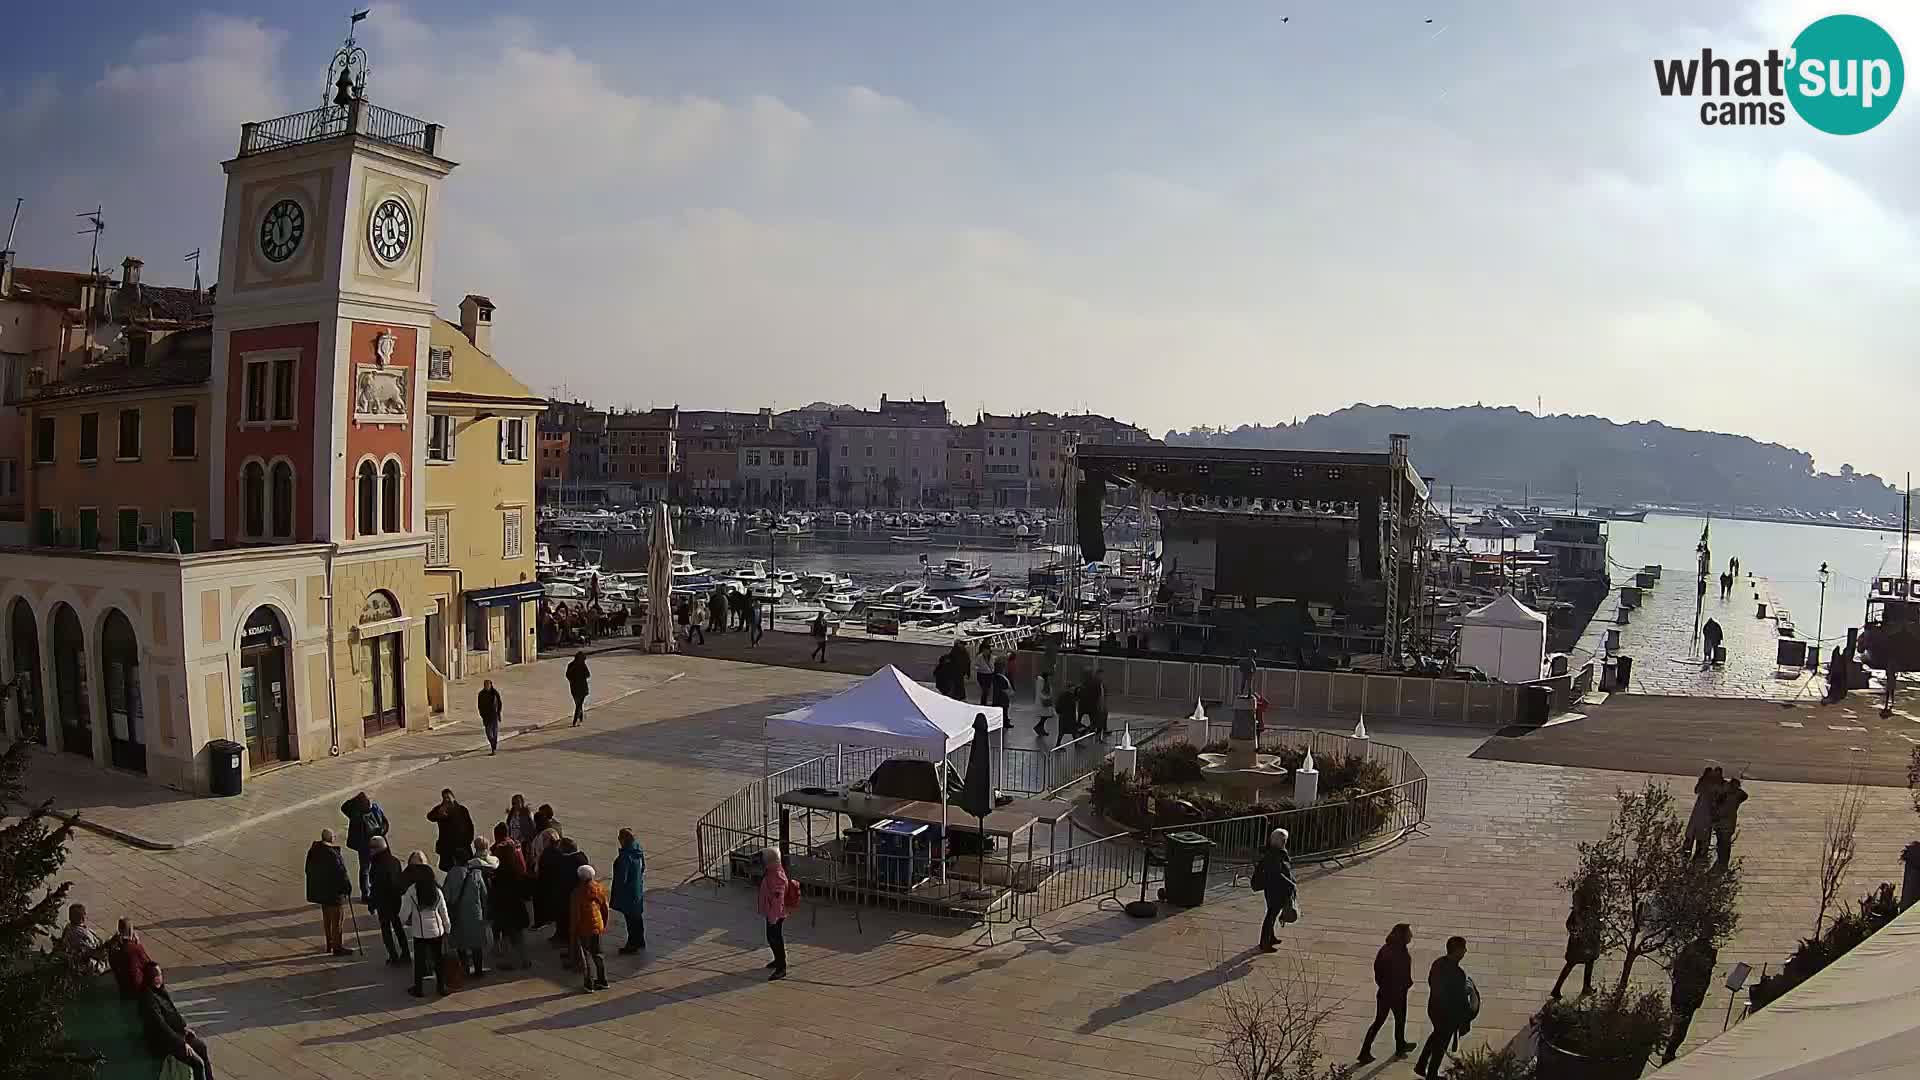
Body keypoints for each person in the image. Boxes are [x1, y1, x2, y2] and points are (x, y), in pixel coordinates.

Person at [137, 961, 211, 1080]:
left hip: (176, 1034)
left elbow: (173, 1012)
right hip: (165, 1040)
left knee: (201, 1047)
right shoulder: (148, 998)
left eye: (160, 974)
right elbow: (160, 1026)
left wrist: (184, 1028)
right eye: (156, 975)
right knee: (198, 1064)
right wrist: (182, 1044)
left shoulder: (161, 991)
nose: (160, 978)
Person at [1358, 923, 1418, 1064]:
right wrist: (1403, 985)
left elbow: (1378, 972)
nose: (1411, 936)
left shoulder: (1389, 949)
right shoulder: (1396, 952)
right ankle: (1366, 1051)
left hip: (1387, 991)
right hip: (1394, 992)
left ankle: (1400, 1045)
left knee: (1395, 1020)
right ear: (1402, 936)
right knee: (1385, 1021)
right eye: (1409, 933)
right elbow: (1394, 973)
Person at [1415, 936, 1474, 1080]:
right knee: (1441, 1044)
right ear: (1457, 950)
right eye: (1463, 948)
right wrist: (1466, 994)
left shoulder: (1438, 963)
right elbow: (1459, 1000)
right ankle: (1431, 1075)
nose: (1465, 951)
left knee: (1436, 1035)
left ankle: (1421, 1065)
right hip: (1447, 1015)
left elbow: (1432, 983)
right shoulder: (1458, 973)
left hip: (1434, 1009)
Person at [398, 853, 452, 997]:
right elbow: (444, 912)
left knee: (420, 961)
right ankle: (441, 987)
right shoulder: (437, 891)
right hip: (437, 931)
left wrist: (402, 922)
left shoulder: (412, 891)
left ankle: (419, 988)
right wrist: (447, 928)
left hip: (420, 932)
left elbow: (404, 912)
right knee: (438, 960)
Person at [445, 837, 497, 978]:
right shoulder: (476, 874)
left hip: (458, 915)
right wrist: (485, 912)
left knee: (461, 944)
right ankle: (479, 971)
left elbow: (447, 897)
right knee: (476, 944)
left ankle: (465, 969)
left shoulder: (451, 875)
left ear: (455, 860)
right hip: (475, 914)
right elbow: (484, 895)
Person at [1664, 935, 1719, 1064]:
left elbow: (1676, 971)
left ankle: (1669, 1052)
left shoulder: (1688, 950)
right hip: (1687, 998)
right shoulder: (1704, 955)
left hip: (1682, 996)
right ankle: (1668, 1054)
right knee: (1680, 1029)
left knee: (1678, 1027)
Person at [489, 823, 533, 970]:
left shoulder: (499, 873)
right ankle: (525, 959)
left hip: (504, 907)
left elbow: (495, 890)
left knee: (507, 935)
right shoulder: (516, 872)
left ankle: (507, 962)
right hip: (517, 906)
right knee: (519, 934)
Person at [304, 828, 354, 957]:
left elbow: (308, 869)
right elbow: (341, 873)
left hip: (322, 893)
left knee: (327, 920)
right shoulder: (333, 854)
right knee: (337, 922)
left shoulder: (314, 851)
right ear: (331, 838)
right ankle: (337, 947)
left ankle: (329, 944)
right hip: (334, 894)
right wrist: (347, 888)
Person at [1551, 878, 1602, 998]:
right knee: (1574, 962)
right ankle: (1558, 988)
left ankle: (1585, 987)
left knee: (1587, 961)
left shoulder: (1586, 896)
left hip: (1587, 935)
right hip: (1583, 936)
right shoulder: (1584, 901)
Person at [365, 836, 410, 965]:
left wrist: (372, 904)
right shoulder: (395, 861)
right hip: (395, 900)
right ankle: (405, 953)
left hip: (383, 903)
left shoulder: (377, 865)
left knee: (386, 930)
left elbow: (376, 887)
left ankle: (393, 956)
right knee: (398, 928)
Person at [1253, 827, 1298, 953]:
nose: (1285, 842)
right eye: (1284, 840)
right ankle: (1265, 943)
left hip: (1272, 887)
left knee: (1272, 913)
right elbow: (1277, 874)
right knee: (1271, 915)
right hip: (1275, 888)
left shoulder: (1273, 852)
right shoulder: (1274, 855)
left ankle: (1270, 938)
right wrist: (1290, 884)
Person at [339, 790, 389, 902]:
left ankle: (375, 890)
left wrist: (382, 830)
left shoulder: (375, 809)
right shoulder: (356, 815)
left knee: (373, 869)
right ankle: (366, 894)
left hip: (378, 843)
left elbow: (385, 822)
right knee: (365, 870)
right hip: (365, 846)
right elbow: (344, 807)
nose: (370, 804)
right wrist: (355, 799)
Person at [570, 864, 612, 992]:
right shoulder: (598, 888)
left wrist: (573, 931)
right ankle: (602, 980)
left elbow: (575, 915)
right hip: (597, 926)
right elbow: (605, 907)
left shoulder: (577, 893)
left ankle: (588, 983)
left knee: (586, 956)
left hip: (584, 928)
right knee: (598, 954)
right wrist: (603, 923)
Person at [758, 845, 793, 981]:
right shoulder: (771, 871)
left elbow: (778, 900)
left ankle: (781, 967)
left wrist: (773, 917)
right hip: (772, 912)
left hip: (776, 914)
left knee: (775, 938)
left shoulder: (777, 876)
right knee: (772, 937)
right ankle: (777, 960)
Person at [612, 828, 647, 954]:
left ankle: (632, 944)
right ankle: (640, 940)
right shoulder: (637, 849)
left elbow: (622, 878)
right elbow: (643, 867)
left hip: (628, 893)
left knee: (630, 919)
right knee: (637, 917)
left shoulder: (625, 857)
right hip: (637, 888)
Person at [427, 789, 477, 873]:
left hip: (462, 847)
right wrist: (439, 812)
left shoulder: (462, 810)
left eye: (448, 797)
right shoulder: (441, 810)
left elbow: (470, 826)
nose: (447, 800)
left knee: (465, 869)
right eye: (444, 798)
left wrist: (468, 841)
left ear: (453, 797)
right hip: (447, 849)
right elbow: (430, 817)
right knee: (449, 870)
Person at [1684, 767, 1723, 861]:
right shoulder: (1713, 784)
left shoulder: (1708, 784)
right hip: (1704, 813)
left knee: (1696, 833)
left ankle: (1695, 853)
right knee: (1699, 834)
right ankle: (1697, 853)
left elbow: (1697, 790)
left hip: (1703, 812)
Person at [108, 919, 155, 997]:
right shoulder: (134, 948)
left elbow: (112, 964)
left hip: (123, 986)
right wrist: (138, 944)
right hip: (136, 987)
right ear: (131, 931)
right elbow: (148, 964)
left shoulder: (114, 948)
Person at [61, 903, 108, 976]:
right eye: (84, 913)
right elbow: (93, 952)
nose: (85, 915)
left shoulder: (69, 927)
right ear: (82, 917)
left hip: (76, 960)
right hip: (87, 965)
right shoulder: (80, 933)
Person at [1713, 777, 1748, 870]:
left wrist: (1735, 789)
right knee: (1720, 842)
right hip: (1720, 822)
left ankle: (1724, 862)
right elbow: (1716, 803)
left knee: (1725, 843)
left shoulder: (1737, 796)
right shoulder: (1724, 795)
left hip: (1728, 823)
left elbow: (1745, 795)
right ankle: (1721, 860)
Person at [477, 679, 503, 755]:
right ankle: (493, 744)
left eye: (488, 685)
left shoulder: (495, 693)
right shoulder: (481, 694)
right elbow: (479, 706)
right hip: (486, 717)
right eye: (485, 685)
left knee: (495, 733)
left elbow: (499, 704)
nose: (487, 687)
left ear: (491, 685)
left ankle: (493, 748)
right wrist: (482, 715)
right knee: (488, 733)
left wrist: (498, 713)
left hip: (494, 716)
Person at [567, 652, 591, 726]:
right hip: (582, 688)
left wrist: (572, 680)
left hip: (574, 687)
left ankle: (576, 721)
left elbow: (567, 675)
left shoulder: (571, 665)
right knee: (579, 705)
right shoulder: (582, 665)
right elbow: (588, 675)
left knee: (578, 704)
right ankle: (579, 719)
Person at [1034, 670, 1055, 738]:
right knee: (1045, 716)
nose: (1050, 678)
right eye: (1049, 677)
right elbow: (1040, 692)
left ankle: (1041, 729)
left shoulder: (1045, 682)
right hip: (1043, 702)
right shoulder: (1042, 682)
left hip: (1045, 701)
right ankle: (1038, 727)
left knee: (1045, 716)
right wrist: (1046, 698)